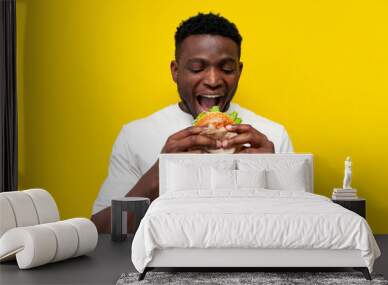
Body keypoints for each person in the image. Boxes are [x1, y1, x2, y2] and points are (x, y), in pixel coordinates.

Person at [91, 13, 294, 232]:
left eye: (226, 69)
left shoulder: (272, 136)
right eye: (197, 68)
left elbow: (302, 230)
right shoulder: (135, 135)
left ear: (239, 71)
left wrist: (273, 175)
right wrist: (158, 177)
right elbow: (102, 231)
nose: (213, 80)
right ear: (176, 71)